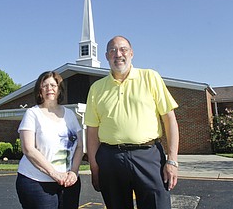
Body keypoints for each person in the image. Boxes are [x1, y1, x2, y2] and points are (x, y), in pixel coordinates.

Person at [84, 35, 179, 209]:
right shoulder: (96, 88)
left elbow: (169, 119)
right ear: (106, 56)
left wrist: (172, 160)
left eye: (123, 49)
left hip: (148, 156)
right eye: (112, 50)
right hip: (110, 158)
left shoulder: (150, 77)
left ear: (132, 53)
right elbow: (91, 131)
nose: (118, 54)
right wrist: (94, 167)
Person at [16, 71, 84, 209]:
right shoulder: (32, 114)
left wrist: (74, 172)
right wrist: (54, 174)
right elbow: (28, 149)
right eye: (45, 86)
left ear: (59, 89)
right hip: (36, 182)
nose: (49, 89)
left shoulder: (69, 115)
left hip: (68, 182)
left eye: (53, 85)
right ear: (39, 90)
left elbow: (80, 146)